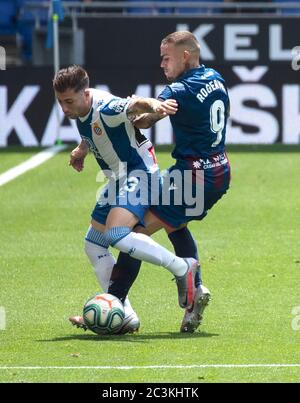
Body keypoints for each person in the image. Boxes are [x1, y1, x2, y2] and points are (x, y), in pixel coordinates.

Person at [53, 64, 200, 334]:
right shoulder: (82, 107)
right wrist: (82, 148)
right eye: (60, 102)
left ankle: (182, 268)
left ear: (85, 94)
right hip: (117, 179)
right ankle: (123, 314)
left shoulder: (107, 108)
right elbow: (91, 130)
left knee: (117, 234)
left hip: (140, 174)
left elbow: (134, 104)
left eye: (69, 101)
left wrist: (154, 105)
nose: (64, 108)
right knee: (93, 245)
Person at [108, 31, 231, 333]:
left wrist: (136, 112)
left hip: (193, 177)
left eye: (166, 57)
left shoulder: (180, 88)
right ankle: (196, 291)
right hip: (217, 169)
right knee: (175, 223)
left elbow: (148, 116)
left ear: (185, 55)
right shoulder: (216, 77)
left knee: (133, 235)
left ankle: (112, 304)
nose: (162, 64)